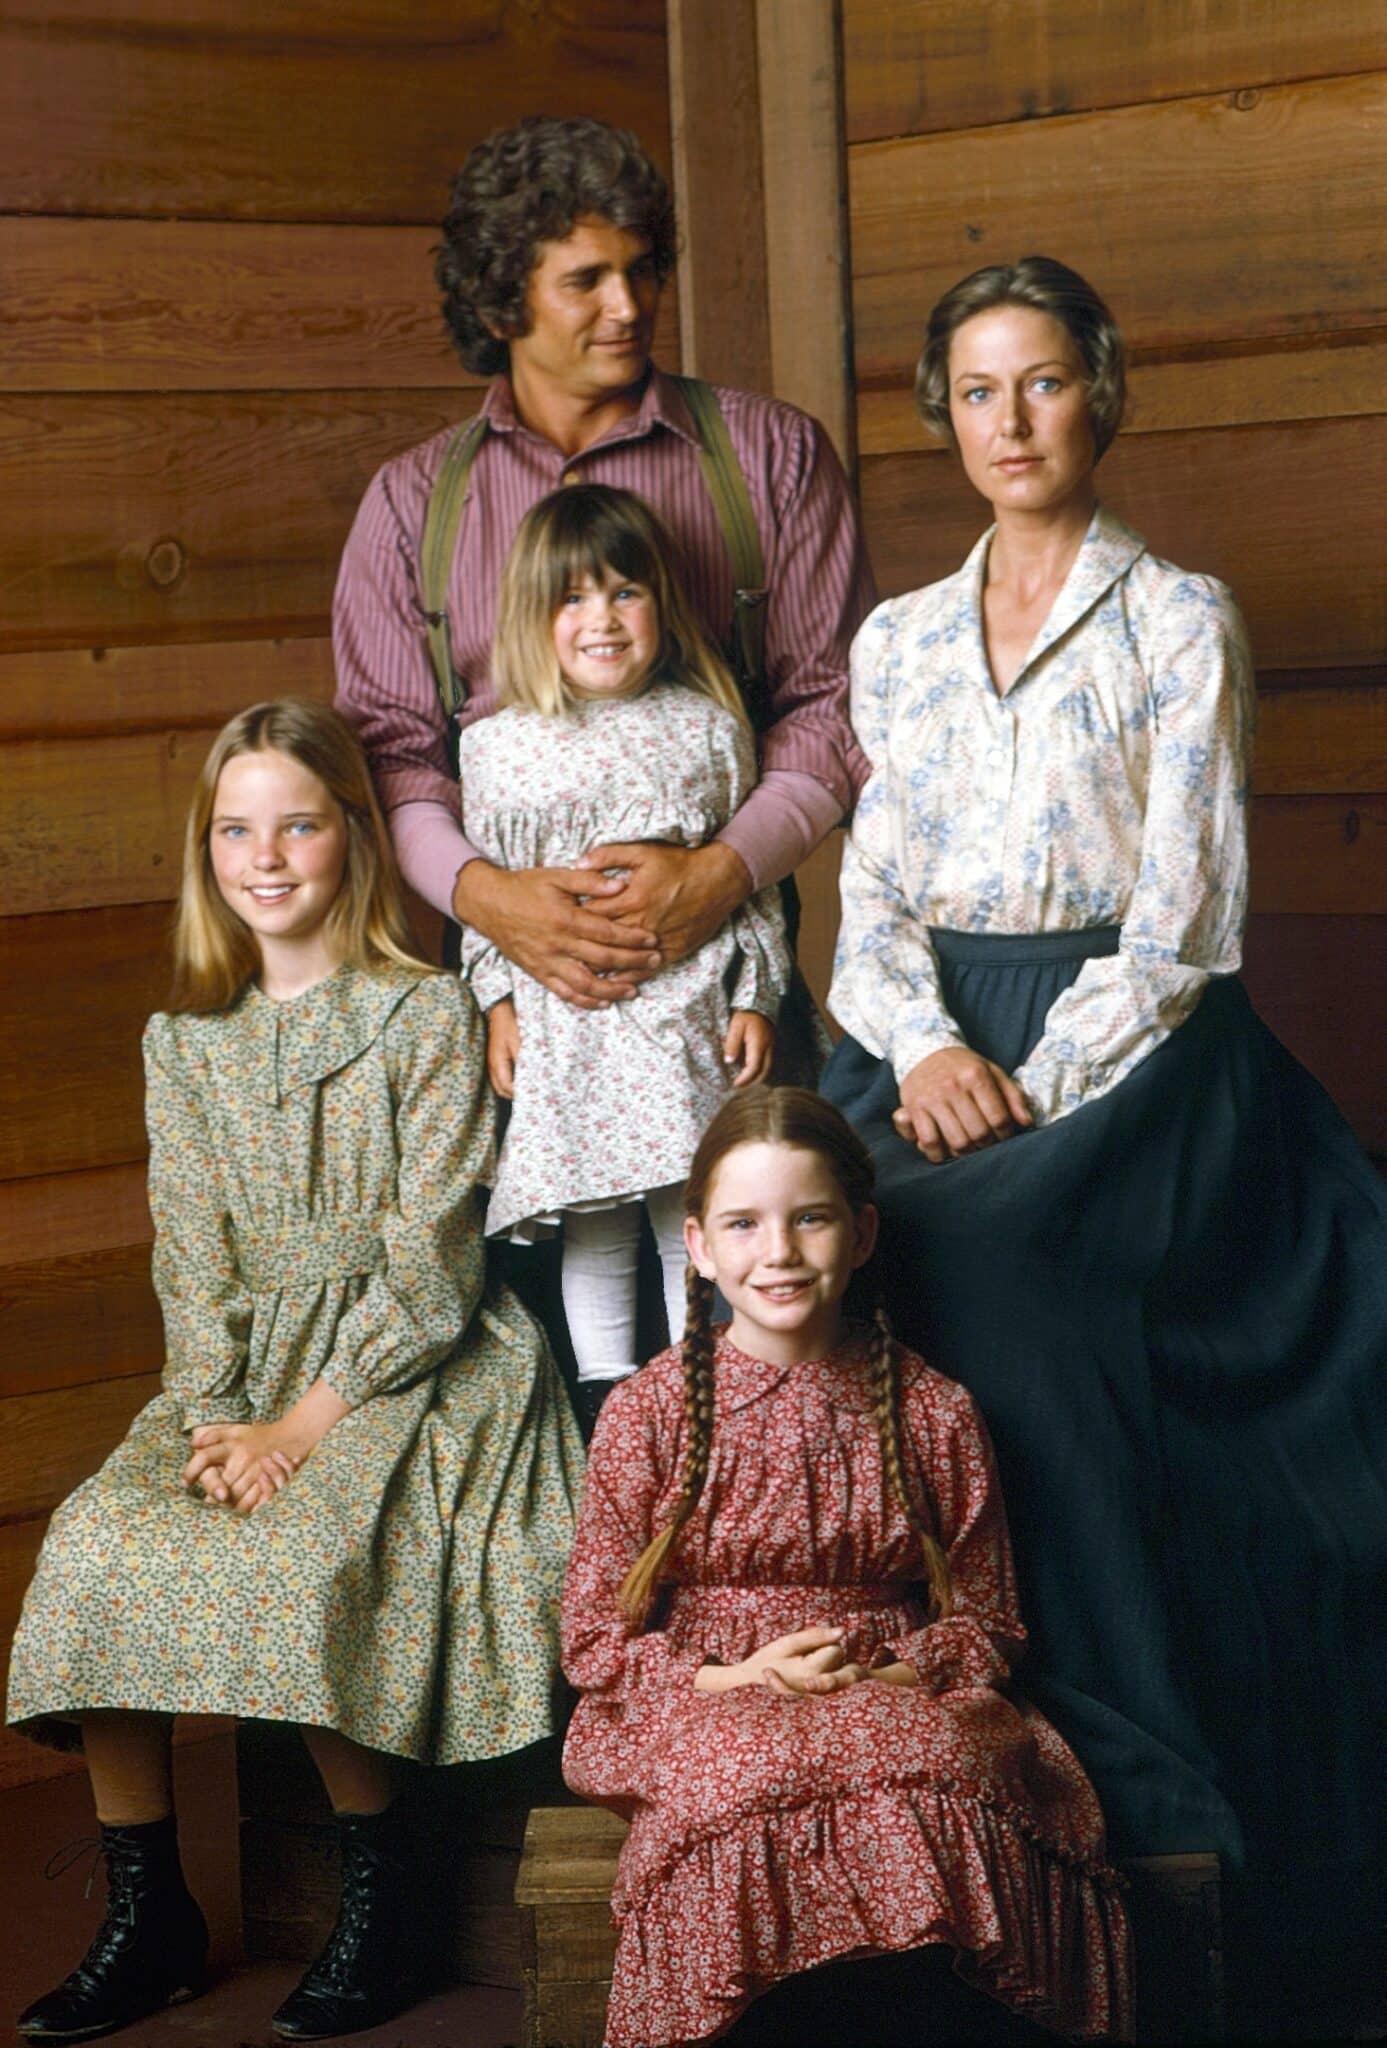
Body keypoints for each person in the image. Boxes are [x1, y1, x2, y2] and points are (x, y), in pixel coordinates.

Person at [822, 256, 1387, 2023]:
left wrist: (1027, 1084)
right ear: (943, 416)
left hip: (1130, 1050)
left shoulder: (1175, 614)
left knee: (996, 1261)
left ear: (1101, 393)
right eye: (977, 390)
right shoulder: (897, 638)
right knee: (826, 1241)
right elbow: (864, 900)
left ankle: (1104, 1723)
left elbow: (1184, 919)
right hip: (929, 1040)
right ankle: (906, 1712)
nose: (1012, 420)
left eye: (1044, 382)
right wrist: (917, 1045)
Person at [6, 699, 583, 2045]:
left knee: (302, 1551)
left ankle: (384, 1903)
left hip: (407, 1364)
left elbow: (433, 1267)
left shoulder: (425, 1014)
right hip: (246, 1371)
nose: (265, 857)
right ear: (208, 852)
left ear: (352, 841)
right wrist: (220, 1421)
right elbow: (192, 1263)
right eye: (234, 830)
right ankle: (147, 1912)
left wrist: (302, 1429)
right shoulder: (185, 1043)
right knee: (94, 1546)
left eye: (299, 824)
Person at [561, 1087, 1133, 2048]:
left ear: (861, 1233)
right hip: (708, 1693)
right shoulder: (646, 1416)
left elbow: (988, 1622)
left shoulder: (932, 1411)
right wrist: (742, 1676)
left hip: (889, 1682)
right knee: (739, 1784)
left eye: (810, 1218)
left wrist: (886, 1676)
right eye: (743, 1224)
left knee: (928, 1769)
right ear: (698, 1246)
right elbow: (590, 1639)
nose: (776, 1252)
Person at [333, 110, 870, 1026]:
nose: (630, 306)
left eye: (642, 270)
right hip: (511, 1010)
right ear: (503, 303)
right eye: (587, 280)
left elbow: (835, 706)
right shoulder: (409, 504)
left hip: (729, 992)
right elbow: (388, 757)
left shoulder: (771, 456)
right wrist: (488, 903)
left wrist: (719, 876)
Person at [463, 482, 791, 1435]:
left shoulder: (704, 727)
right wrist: (497, 1005)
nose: (600, 620)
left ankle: (716, 1391)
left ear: (661, 603)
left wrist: (754, 996)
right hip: (571, 1021)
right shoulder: (500, 749)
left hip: (681, 1009)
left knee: (691, 1209)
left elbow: (749, 885)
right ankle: (610, 1402)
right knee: (596, 1222)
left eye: (623, 593)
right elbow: (489, 902)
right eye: (572, 598)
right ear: (535, 616)